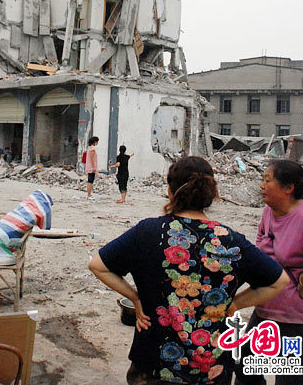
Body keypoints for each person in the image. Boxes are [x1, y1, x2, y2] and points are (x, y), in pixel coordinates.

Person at [89, 156, 288, 385]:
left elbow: (97, 265)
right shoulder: (232, 241)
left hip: (153, 366)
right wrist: (236, 304)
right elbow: (279, 281)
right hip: (211, 368)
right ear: (211, 194)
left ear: (170, 192)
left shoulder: (148, 232)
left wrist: (135, 297)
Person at [234, 160, 303, 385]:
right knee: (245, 367)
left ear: (288, 188)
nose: (261, 185)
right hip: (266, 308)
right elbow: (261, 242)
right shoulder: (270, 211)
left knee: (289, 376)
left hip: (294, 316)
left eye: (267, 180)